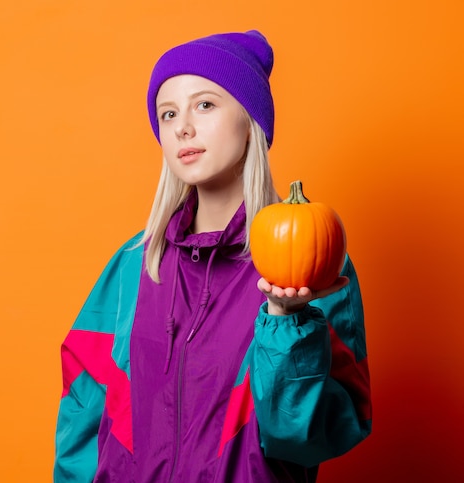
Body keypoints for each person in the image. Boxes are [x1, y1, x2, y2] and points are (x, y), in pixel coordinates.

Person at [54, 30, 371, 482]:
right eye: (168, 113)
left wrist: (286, 322)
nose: (183, 126)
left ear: (251, 121)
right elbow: (82, 411)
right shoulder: (134, 264)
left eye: (205, 104)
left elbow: (312, 439)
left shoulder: (314, 263)